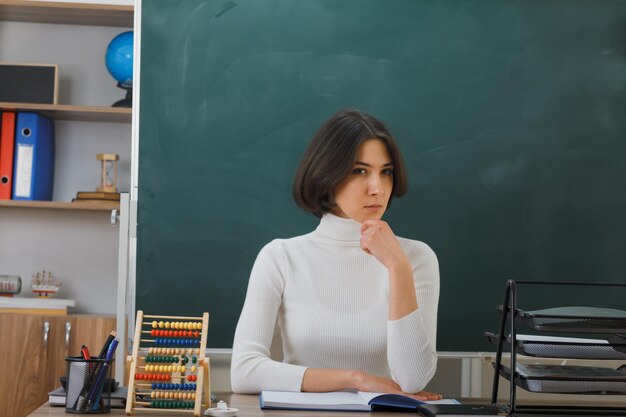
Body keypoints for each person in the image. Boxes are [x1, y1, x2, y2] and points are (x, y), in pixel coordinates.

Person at [230, 108, 440, 400]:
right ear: (328, 175)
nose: (378, 188)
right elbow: (244, 372)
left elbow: (413, 379)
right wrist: (356, 379)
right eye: (360, 171)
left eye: (386, 172)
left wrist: (397, 267)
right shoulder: (279, 257)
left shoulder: (415, 258)